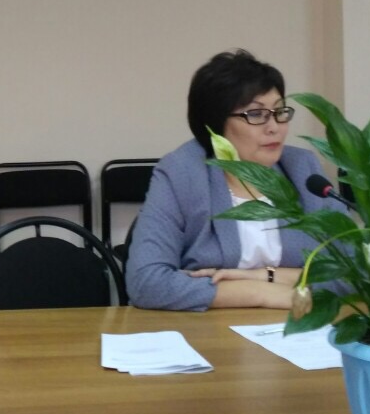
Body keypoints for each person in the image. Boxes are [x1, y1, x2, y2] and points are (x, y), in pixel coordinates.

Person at [126, 50, 344, 311]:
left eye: (280, 111)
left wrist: (267, 276)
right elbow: (146, 283)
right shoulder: (183, 173)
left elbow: (358, 274)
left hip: (297, 326)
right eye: (256, 114)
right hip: (208, 329)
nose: (274, 127)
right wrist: (260, 293)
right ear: (216, 123)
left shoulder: (302, 169)